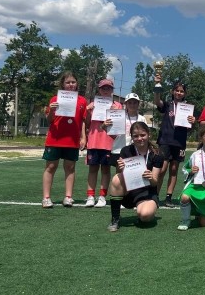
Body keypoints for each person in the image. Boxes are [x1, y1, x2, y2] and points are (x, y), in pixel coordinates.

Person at [41, 71, 87, 208]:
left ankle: (68, 197)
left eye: (73, 82)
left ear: (77, 84)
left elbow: (83, 121)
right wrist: (51, 110)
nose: (71, 84)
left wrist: (83, 137)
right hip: (55, 139)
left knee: (70, 167)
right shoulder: (55, 99)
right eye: (68, 82)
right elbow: (50, 120)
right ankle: (46, 198)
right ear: (63, 84)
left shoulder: (82, 101)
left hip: (72, 140)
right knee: (50, 167)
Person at [107, 122, 162, 231]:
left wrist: (151, 177)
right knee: (116, 179)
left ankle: (143, 212)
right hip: (130, 190)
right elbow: (119, 174)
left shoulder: (157, 153)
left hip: (147, 192)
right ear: (131, 137)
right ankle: (115, 218)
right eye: (135, 136)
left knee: (145, 216)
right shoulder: (126, 150)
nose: (139, 138)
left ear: (149, 134)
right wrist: (120, 167)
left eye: (143, 135)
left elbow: (155, 182)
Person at [153, 74, 196, 207]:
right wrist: (157, 85)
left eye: (182, 91)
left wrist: (193, 121)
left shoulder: (188, 108)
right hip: (165, 140)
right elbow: (157, 101)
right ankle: (155, 196)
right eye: (177, 90)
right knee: (162, 169)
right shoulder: (167, 105)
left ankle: (168, 197)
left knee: (174, 169)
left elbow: (189, 127)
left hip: (179, 142)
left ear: (185, 93)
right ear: (172, 92)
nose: (179, 93)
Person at [84, 78, 122, 208]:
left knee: (105, 170)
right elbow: (87, 123)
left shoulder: (117, 105)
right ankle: (90, 196)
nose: (106, 90)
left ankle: (102, 196)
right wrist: (88, 112)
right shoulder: (92, 104)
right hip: (94, 141)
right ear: (99, 90)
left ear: (112, 90)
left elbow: (119, 126)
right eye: (103, 88)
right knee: (92, 169)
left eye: (108, 88)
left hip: (108, 142)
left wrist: (114, 112)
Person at [108, 93, 146, 172]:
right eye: (130, 103)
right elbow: (112, 134)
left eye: (135, 103)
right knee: (120, 174)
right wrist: (105, 127)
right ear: (125, 104)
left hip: (136, 150)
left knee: (135, 174)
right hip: (119, 149)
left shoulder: (142, 118)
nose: (132, 105)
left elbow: (145, 135)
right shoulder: (119, 117)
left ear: (138, 104)